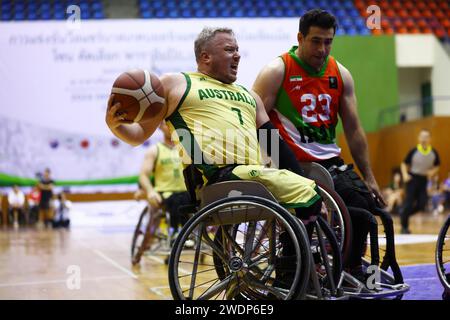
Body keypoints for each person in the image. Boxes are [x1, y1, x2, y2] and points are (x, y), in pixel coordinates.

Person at [106, 27, 323, 283]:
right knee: (308, 193)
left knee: (309, 188)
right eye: (230, 49)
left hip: (251, 177)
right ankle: (290, 275)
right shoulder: (176, 83)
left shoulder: (249, 95)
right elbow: (139, 134)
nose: (238, 55)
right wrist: (115, 125)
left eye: (238, 50)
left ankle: (296, 265)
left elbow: (272, 141)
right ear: (206, 56)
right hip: (215, 178)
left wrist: (293, 175)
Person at [252, 9, 384, 278]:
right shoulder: (278, 70)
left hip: (331, 163)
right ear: (300, 38)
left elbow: (355, 130)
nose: (322, 49)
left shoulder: (341, 74)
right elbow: (255, 120)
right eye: (315, 41)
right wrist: (267, 161)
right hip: (292, 162)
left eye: (328, 41)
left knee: (363, 208)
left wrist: (369, 176)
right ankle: (290, 272)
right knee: (305, 211)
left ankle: (348, 269)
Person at [138, 121, 191, 237]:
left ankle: (188, 234)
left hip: (186, 192)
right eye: (167, 123)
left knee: (187, 199)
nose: (170, 126)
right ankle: (175, 233)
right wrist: (150, 191)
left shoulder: (187, 149)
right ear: (160, 126)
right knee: (176, 200)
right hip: (165, 193)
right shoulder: (155, 150)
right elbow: (143, 175)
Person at [400, 129, 440, 233]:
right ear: (419, 138)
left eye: (426, 137)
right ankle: (404, 227)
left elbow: (437, 165)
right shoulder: (413, 151)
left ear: (430, 139)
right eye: (422, 136)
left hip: (423, 180)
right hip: (412, 179)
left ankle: (404, 214)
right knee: (408, 204)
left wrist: (432, 172)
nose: (424, 139)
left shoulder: (433, 152)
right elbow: (404, 164)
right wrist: (405, 174)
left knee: (422, 204)